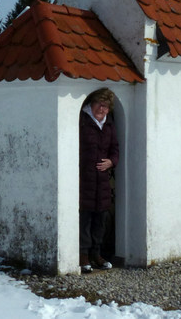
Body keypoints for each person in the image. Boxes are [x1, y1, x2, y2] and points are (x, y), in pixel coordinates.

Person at [79, 88, 119, 273]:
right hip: (84, 177)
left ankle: (97, 253)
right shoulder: (83, 121)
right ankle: (83, 255)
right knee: (85, 216)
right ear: (91, 104)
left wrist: (111, 161)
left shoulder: (109, 125)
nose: (102, 109)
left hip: (102, 180)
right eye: (99, 104)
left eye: (106, 106)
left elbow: (115, 149)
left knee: (100, 217)